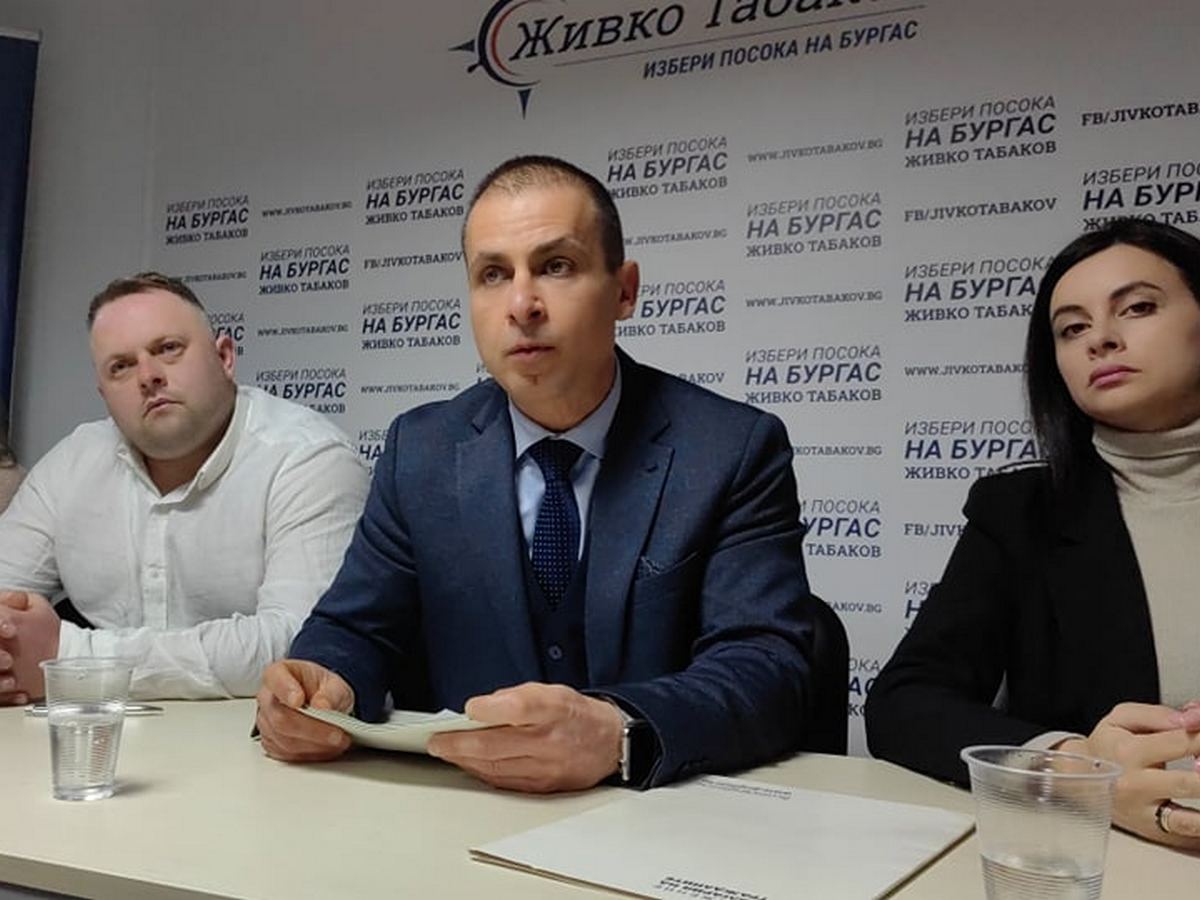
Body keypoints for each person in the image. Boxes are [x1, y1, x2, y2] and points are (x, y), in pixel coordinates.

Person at [256, 155, 816, 792]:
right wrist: (322, 680)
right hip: (462, 813)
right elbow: (355, 629)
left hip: (663, 815)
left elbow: (767, 666)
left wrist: (619, 733)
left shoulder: (729, 449)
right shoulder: (421, 450)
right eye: (493, 274)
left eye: (556, 266)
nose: (521, 305)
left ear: (625, 290)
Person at [866, 217, 1200, 848]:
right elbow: (903, 703)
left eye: (1137, 308)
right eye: (1072, 328)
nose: (1101, 339)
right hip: (1115, 860)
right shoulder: (1020, 512)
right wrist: (1075, 769)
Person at [0, 273, 368, 704]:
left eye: (168, 349)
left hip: (261, 737)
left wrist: (72, 657)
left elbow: (305, 645)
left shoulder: (308, 458)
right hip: (106, 733)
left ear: (225, 357)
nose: (148, 376)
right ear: (104, 395)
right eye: (121, 367)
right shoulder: (71, 464)